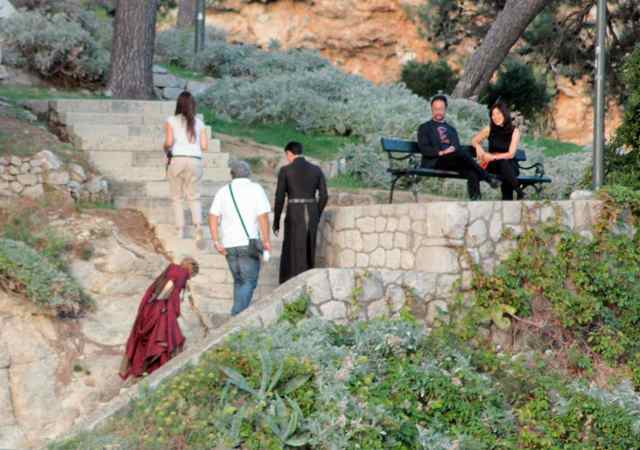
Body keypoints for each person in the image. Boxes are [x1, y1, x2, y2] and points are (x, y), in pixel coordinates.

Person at [208, 160, 272, 315]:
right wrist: (266, 240)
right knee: (249, 282)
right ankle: (236, 316)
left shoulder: (224, 191)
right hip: (248, 244)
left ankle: (237, 319)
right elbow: (263, 217)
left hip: (229, 245)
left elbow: (212, 216)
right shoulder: (256, 189)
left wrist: (216, 241)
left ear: (232, 174)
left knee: (239, 281)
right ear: (249, 174)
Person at [119, 257, 199, 380]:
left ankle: (142, 367)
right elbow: (170, 288)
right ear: (191, 269)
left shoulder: (171, 268)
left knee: (150, 337)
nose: (189, 278)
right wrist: (166, 305)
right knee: (163, 338)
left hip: (150, 306)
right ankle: (157, 368)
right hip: (162, 308)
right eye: (191, 275)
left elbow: (160, 286)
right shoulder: (182, 272)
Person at [417, 95, 498, 200]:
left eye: (440, 109)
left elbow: (456, 146)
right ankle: (488, 178)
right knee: (461, 153)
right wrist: (442, 152)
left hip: (451, 161)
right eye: (435, 109)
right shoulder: (424, 127)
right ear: (432, 109)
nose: (438, 112)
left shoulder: (451, 129)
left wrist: (451, 150)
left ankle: (476, 201)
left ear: (445, 109)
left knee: (472, 172)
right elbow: (424, 148)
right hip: (435, 162)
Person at [273, 142, 328, 284]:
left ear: (289, 153)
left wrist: (276, 221)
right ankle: (307, 282)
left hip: (294, 211)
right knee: (309, 248)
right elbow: (324, 196)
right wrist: (316, 213)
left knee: (291, 247)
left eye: (287, 155)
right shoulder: (316, 170)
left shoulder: (285, 170)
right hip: (311, 210)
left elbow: (279, 198)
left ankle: (289, 282)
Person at [163, 91, 208, 243]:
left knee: (177, 196)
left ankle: (180, 230)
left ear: (179, 104)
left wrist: (165, 147)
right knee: (194, 196)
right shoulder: (199, 123)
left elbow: (169, 142)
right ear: (193, 105)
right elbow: (204, 146)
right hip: (195, 160)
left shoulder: (171, 120)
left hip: (177, 160)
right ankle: (198, 226)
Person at [471, 101, 525, 200]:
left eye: (498, 113)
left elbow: (511, 154)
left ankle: (509, 200)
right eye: (493, 115)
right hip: (493, 166)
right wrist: (478, 147)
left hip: (509, 164)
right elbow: (474, 141)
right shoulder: (489, 129)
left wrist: (493, 156)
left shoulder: (515, 131)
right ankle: (519, 190)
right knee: (503, 163)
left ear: (505, 114)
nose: (495, 117)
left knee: (505, 165)